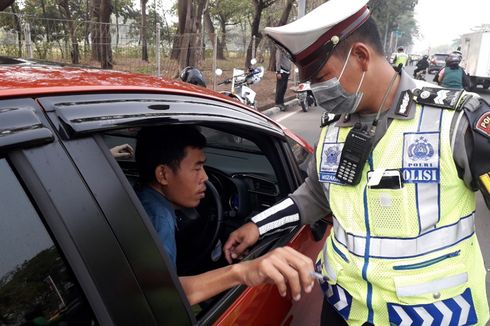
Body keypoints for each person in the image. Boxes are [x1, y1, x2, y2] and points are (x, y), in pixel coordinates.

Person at [223, 0, 490, 324]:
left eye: (323, 78)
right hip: (344, 310)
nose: (319, 93)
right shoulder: (333, 128)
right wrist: (258, 226)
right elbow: (317, 193)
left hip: (433, 316)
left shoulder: (454, 121)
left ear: (361, 56)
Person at [134, 125, 316, 305]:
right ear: (163, 174)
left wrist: (256, 226)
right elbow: (163, 296)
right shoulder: (158, 220)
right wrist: (242, 271)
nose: (204, 177)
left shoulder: (142, 198)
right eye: (197, 168)